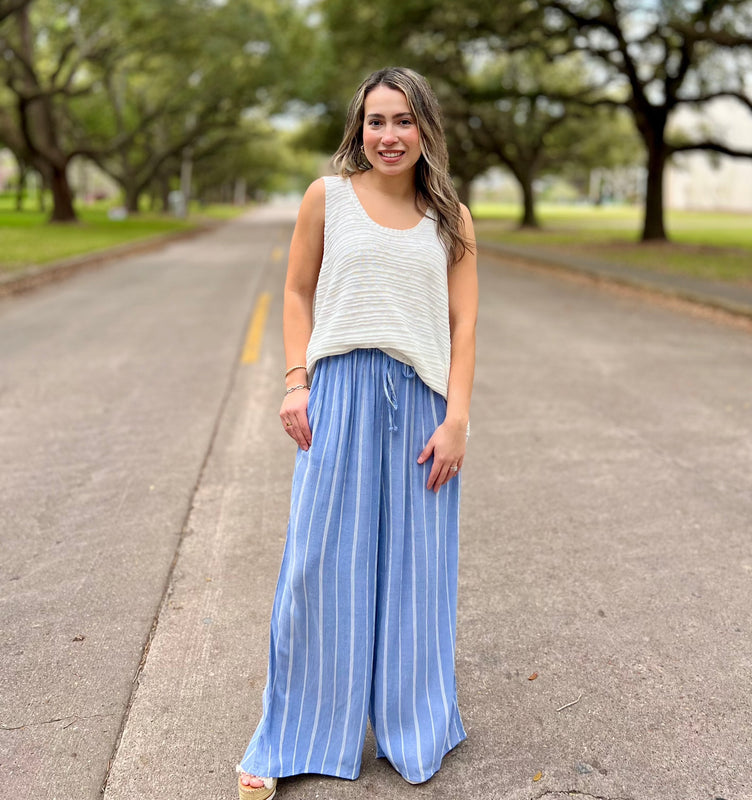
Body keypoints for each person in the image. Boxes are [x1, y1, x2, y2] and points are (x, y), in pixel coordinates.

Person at [236, 66, 478, 800]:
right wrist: (295, 381)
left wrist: (459, 417)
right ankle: (296, 737)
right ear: (359, 128)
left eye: (403, 120)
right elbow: (297, 290)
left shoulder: (452, 219)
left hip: (422, 406)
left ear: (424, 128)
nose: (389, 135)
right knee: (317, 568)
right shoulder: (327, 198)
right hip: (337, 395)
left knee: (415, 573)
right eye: (376, 121)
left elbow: (463, 324)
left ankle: (416, 727)